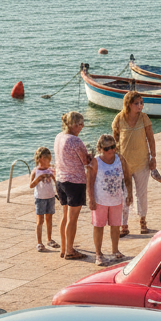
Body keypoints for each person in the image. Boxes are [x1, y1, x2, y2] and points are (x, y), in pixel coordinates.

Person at [112, 91, 157, 237]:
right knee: (124, 194)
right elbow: (115, 139)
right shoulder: (119, 118)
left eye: (141, 103)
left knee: (141, 193)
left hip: (142, 161)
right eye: (136, 103)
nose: (140, 106)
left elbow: (151, 138)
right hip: (123, 164)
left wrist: (153, 157)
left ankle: (143, 222)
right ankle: (124, 225)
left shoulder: (144, 118)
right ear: (128, 104)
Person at [87, 134, 132, 267]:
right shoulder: (95, 162)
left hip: (116, 198)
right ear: (101, 148)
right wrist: (91, 199)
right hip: (100, 199)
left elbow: (127, 177)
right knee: (99, 226)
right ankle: (98, 253)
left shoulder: (120, 159)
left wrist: (129, 193)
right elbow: (89, 182)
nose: (111, 150)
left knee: (115, 226)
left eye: (113, 147)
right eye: (107, 148)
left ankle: (115, 250)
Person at [53, 111, 90, 261]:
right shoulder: (75, 141)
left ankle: (64, 248)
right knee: (72, 218)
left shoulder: (59, 137)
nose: (82, 126)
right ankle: (69, 250)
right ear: (73, 124)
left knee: (65, 216)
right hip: (74, 182)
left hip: (60, 180)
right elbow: (85, 161)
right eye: (79, 124)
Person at [29, 147, 58, 253]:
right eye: (46, 160)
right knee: (40, 220)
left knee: (49, 219)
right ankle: (39, 242)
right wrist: (39, 178)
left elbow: (56, 181)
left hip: (50, 197)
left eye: (49, 160)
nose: (47, 163)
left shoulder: (51, 169)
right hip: (40, 198)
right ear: (40, 159)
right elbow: (31, 185)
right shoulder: (35, 171)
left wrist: (53, 177)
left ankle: (49, 239)